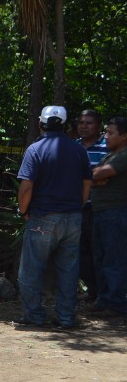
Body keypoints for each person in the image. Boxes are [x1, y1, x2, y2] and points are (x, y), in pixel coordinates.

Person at [15, 105, 92, 330]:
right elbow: (87, 182)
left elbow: (26, 186)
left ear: (41, 123)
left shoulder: (36, 149)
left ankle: (35, 315)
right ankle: (66, 317)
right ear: (67, 124)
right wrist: (78, 205)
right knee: (68, 270)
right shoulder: (78, 150)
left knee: (31, 268)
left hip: (43, 217)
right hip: (73, 217)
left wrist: (23, 211)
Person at [88, 116, 127, 318]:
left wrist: (97, 177)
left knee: (114, 259)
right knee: (101, 257)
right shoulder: (110, 155)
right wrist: (98, 177)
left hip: (115, 213)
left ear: (124, 136)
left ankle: (117, 303)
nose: (106, 136)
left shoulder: (124, 155)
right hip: (102, 213)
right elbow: (96, 177)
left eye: (111, 133)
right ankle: (104, 300)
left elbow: (96, 175)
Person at [76, 109, 106, 302]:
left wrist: (87, 180)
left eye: (88, 123)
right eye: (81, 122)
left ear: (98, 126)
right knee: (80, 253)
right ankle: (93, 290)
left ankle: (105, 295)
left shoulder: (108, 146)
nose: (83, 126)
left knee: (100, 252)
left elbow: (109, 179)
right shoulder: (73, 147)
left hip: (100, 208)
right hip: (78, 208)